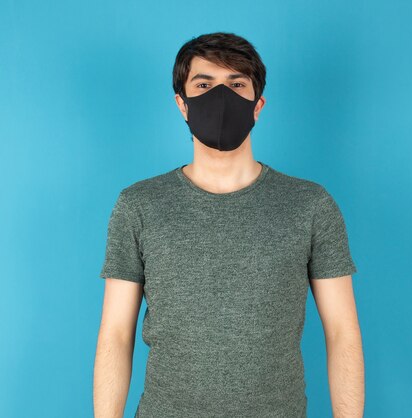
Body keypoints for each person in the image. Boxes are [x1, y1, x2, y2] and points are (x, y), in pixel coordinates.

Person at [93, 32, 364, 418]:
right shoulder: (139, 205)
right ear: (182, 105)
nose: (221, 97)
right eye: (204, 85)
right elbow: (116, 336)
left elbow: (343, 333)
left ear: (257, 105)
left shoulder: (310, 205)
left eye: (237, 85)